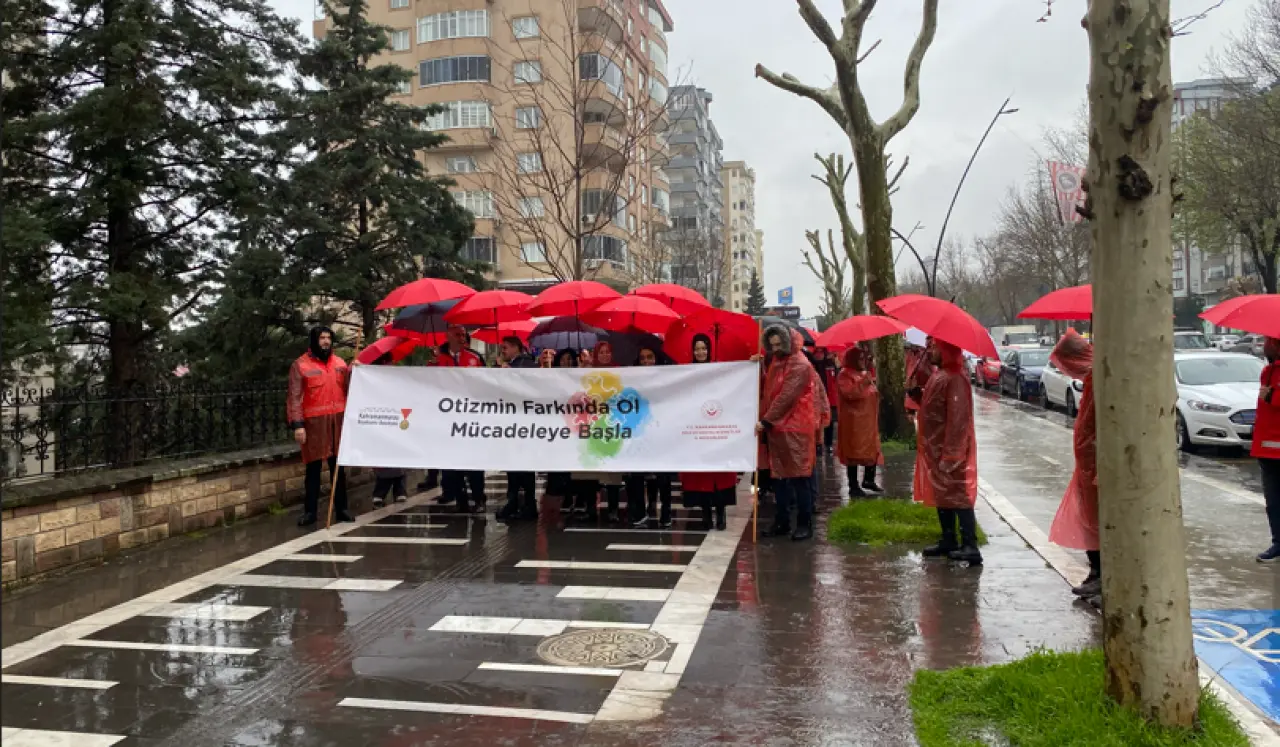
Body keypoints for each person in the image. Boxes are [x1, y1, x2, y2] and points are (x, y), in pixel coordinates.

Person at [1043, 330, 1101, 598]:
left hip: (1096, 468)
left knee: (1097, 522)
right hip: (1088, 467)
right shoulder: (1092, 382)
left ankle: (1101, 575)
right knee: (1089, 520)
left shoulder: (1099, 383)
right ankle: (1096, 573)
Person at [915, 338, 981, 564]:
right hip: (937, 448)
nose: (931, 351)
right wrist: (916, 395)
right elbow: (934, 408)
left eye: (935, 348)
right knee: (943, 494)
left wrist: (953, 453)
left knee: (957, 495)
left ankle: (970, 545)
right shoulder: (940, 376)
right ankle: (949, 539)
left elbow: (958, 419)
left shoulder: (955, 379)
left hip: (949, 450)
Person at [287, 326, 353, 527]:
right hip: (314, 424)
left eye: (328, 338)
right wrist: (298, 425)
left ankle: (342, 509)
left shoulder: (340, 363)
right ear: (314, 340)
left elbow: (349, 388)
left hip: (337, 421)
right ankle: (310, 512)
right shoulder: (300, 365)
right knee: (313, 469)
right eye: (322, 338)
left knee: (338, 468)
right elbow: (294, 397)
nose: (326, 341)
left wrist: (355, 371)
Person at [759, 325, 819, 541]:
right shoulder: (777, 362)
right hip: (778, 429)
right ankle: (782, 521)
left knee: (800, 478)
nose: (775, 349)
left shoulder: (800, 364)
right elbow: (770, 390)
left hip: (796, 429)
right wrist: (758, 367)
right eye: (772, 345)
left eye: (778, 344)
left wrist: (766, 420)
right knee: (780, 478)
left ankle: (804, 523)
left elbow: (787, 396)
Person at [679, 335, 738, 530]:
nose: (700, 352)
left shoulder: (719, 371)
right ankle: (705, 514)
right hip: (696, 431)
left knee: (719, 473)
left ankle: (721, 513)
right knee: (700, 476)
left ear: (709, 349)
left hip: (717, 429)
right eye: (697, 349)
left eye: (704, 348)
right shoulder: (686, 373)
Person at [436, 325, 486, 513]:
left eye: (464, 335)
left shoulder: (474, 358)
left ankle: (479, 498)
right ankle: (460, 499)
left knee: (474, 462)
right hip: (448, 419)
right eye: (457, 335)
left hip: (471, 418)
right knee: (452, 463)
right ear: (448, 336)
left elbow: (485, 383)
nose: (462, 338)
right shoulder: (438, 360)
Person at [628, 343, 675, 528]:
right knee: (636, 473)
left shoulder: (666, 378)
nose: (646, 361)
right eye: (642, 358)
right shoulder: (632, 378)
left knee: (663, 475)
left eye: (650, 357)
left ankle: (666, 511)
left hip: (660, 432)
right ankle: (640, 512)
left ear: (656, 358)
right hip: (639, 433)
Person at [496, 336, 539, 522]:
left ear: (516, 347)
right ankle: (515, 502)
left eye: (505, 347)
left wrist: (508, 373)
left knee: (524, 468)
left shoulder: (526, 365)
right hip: (512, 424)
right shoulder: (514, 365)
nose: (503, 351)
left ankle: (526, 504)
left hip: (522, 425)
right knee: (513, 467)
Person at [837, 346, 884, 497]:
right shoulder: (844, 374)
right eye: (860, 359)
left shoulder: (864, 374)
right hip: (853, 422)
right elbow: (850, 394)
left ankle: (869, 479)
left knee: (871, 449)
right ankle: (853, 485)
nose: (863, 361)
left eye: (864, 358)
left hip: (868, 421)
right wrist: (864, 381)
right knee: (853, 452)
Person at [591, 341, 626, 522]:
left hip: (613, 426)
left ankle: (613, 508)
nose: (605, 355)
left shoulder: (618, 372)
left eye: (607, 352)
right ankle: (589, 507)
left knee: (613, 471)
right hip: (594, 426)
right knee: (590, 469)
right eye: (601, 352)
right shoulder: (589, 373)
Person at [1254, 336, 1280, 563]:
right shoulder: (1267, 371)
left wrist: (1271, 396)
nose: (1264, 346)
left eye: (1268, 342)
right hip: (1267, 448)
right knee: (1273, 502)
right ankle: (1278, 543)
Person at [548, 348, 579, 505]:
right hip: (558, 425)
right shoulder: (552, 377)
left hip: (574, 424)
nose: (566, 362)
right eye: (563, 359)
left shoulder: (580, 377)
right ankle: (560, 493)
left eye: (570, 359)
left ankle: (572, 494)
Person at [813, 347, 839, 455]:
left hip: (830, 397)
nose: (819, 354)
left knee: (830, 421)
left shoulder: (830, 364)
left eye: (821, 352)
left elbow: (836, 378)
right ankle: (817, 444)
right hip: (816, 398)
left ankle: (828, 444)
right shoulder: (812, 365)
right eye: (817, 352)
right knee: (817, 422)